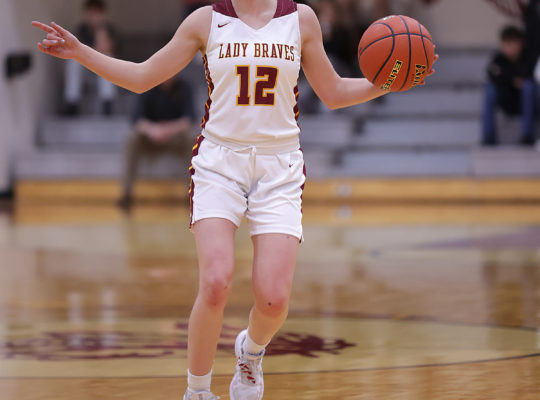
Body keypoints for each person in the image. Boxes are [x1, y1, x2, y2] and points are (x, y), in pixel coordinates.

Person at [32, 1, 435, 398]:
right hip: (219, 163)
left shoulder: (301, 19)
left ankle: (251, 351)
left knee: (273, 301)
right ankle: (197, 391)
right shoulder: (205, 20)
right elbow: (142, 77)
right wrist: (80, 52)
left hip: (278, 168)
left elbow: (332, 92)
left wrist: (388, 81)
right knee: (215, 282)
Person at [119, 76, 195, 208]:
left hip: (175, 138)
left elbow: (189, 119)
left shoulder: (184, 87)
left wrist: (168, 129)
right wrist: (152, 129)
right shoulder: (146, 86)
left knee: (192, 137)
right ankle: (127, 192)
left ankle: (192, 191)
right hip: (150, 138)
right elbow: (136, 119)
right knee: (132, 137)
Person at [482, 26, 536, 146]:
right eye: (506, 43)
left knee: (528, 86)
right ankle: (488, 136)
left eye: (512, 43)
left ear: (520, 44)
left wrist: (505, 77)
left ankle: (528, 134)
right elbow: (492, 74)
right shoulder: (498, 59)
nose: (509, 48)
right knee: (490, 89)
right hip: (505, 98)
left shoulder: (528, 58)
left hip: (526, 101)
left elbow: (530, 75)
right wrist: (512, 80)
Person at [63, 0, 118, 116]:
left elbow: (105, 49)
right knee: (73, 62)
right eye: (90, 12)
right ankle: (72, 102)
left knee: (106, 58)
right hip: (87, 70)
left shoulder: (110, 29)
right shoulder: (81, 30)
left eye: (96, 12)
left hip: (107, 72)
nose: (93, 16)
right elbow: (77, 52)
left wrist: (100, 28)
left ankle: (107, 103)